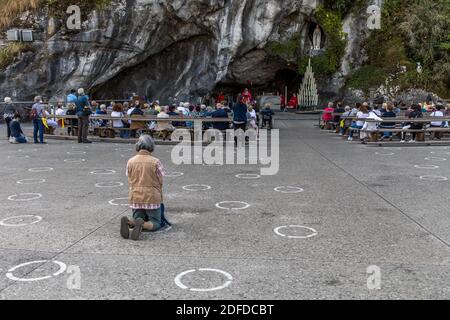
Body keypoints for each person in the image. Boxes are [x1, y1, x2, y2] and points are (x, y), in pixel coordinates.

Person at [120, 135, 168, 241]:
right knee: (156, 222)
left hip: (135, 195)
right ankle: (143, 225)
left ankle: (130, 222)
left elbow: (129, 176)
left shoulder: (130, 161)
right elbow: (161, 179)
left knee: (137, 217)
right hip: (151, 196)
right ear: (151, 146)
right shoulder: (155, 162)